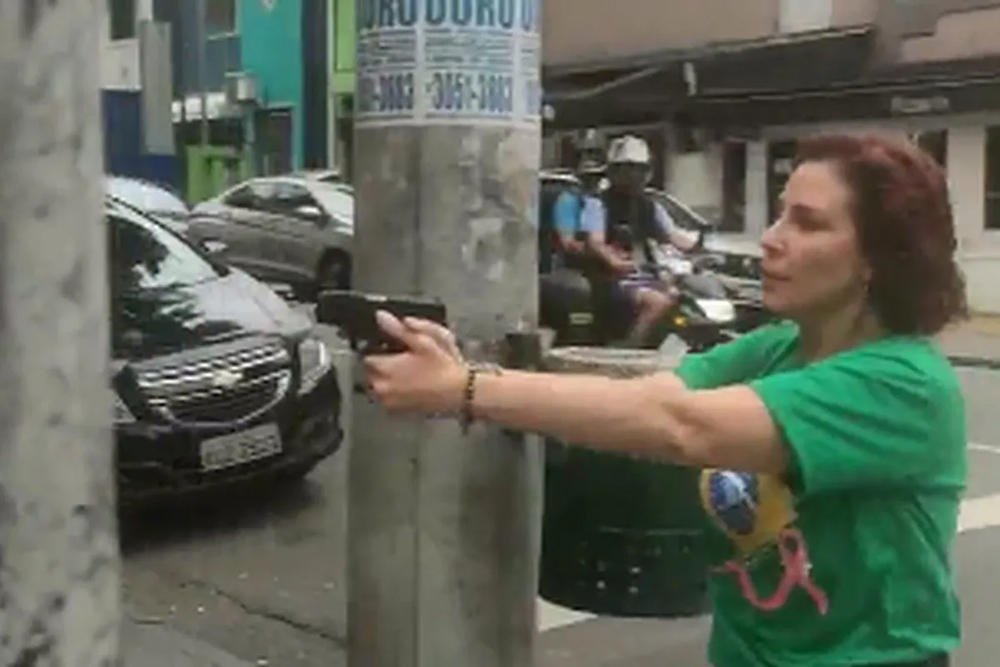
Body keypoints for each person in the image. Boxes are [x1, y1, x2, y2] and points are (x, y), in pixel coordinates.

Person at [363, 133, 968, 667]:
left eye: (807, 224)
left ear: (876, 259)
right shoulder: (779, 346)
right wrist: (467, 374)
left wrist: (464, 390)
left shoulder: (904, 384)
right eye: (781, 215)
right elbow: (651, 396)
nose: (771, 239)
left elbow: (681, 427)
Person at [585, 135, 699, 345]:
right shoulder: (597, 204)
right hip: (610, 279)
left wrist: (701, 248)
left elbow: (673, 236)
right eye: (627, 169)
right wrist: (614, 261)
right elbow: (596, 242)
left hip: (644, 275)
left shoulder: (649, 206)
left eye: (638, 169)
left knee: (685, 297)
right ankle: (628, 351)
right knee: (657, 303)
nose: (633, 175)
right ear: (613, 172)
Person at [550, 155, 606, 266]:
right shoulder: (568, 200)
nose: (594, 182)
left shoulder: (597, 202)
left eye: (597, 178)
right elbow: (567, 244)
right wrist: (599, 251)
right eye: (589, 178)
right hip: (572, 265)